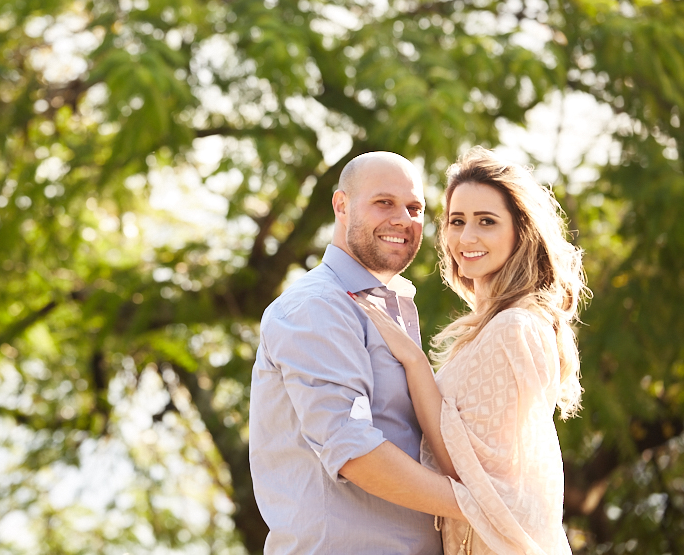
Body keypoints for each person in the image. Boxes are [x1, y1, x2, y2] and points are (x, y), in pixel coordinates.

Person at [353, 147, 586, 554]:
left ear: (520, 232)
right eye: (457, 221)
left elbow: (465, 472)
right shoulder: (493, 327)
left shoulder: (514, 328)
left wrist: (413, 361)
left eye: (487, 222)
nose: (467, 237)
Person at [249, 151, 463, 555]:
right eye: (384, 202)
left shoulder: (388, 306)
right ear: (341, 205)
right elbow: (353, 449)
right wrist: (481, 505)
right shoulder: (317, 306)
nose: (403, 218)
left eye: (414, 207)